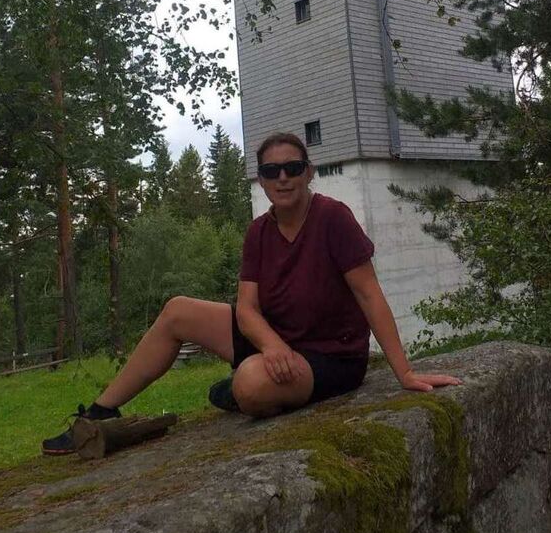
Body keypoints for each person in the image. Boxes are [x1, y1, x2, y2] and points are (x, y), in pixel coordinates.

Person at [42, 132, 460, 455]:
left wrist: (404, 373)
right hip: (275, 340)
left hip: (329, 357)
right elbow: (246, 309)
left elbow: (369, 295)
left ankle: (239, 392)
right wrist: (272, 344)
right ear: (260, 179)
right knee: (177, 310)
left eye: (292, 168)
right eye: (271, 171)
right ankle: (101, 411)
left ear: (308, 173)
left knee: (251, 384)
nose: (283, 178)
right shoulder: (259, 231)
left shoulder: (334, 218)